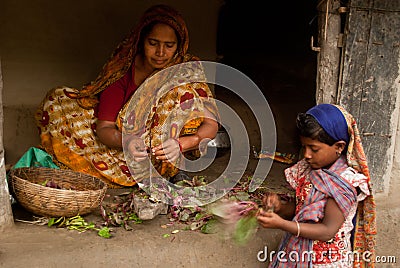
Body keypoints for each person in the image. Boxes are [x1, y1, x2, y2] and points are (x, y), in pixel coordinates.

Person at [35, 4, 219, 188]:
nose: (160, 53)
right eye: (153, 43)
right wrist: (128, 141)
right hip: (131, 147)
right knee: (58, 99)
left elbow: (211, 124)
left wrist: (184, 143)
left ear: (180, 46)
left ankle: (174, 169)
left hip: (170, 149)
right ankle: (144, 170)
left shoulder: (187, 71)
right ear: (141, 41)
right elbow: (105, 127)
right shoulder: (123, 69)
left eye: (169, 45)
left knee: (179, 91)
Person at [257, 104, 376, 267]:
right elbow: (301, 209)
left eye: (314, 149)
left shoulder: (343, 182)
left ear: (339, 147)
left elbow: (327, 231)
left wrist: (282, 224)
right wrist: (279, 207)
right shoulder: (307, 170)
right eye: (304, 147)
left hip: (325, 262)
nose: (306, 155)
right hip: (298, 255)